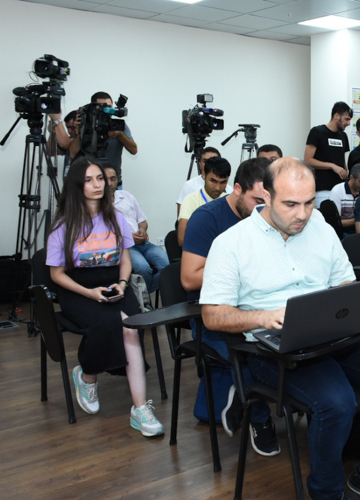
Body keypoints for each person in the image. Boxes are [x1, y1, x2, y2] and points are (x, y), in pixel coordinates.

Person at [200, 158, 360, 500]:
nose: (302, 214)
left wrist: (346, 306)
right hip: (272, 348)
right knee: (337, 402)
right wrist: (264, 317)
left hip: (331, 331)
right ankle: (325, 492)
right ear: (266, 196)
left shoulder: (320, 227)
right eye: (291, 204)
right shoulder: (232, 243)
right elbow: (213, 316)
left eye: (309, 202)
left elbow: (345, 283)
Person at [46, 156, 163, 437]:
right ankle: (87, 375)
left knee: (131, 327)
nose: (98, 185)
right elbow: (56, 274)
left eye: (100, 178)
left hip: (112, 282)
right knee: (106, 323)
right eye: (89, 180)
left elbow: (125, 260)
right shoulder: (63, 225)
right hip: (77, 288)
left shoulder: (116, 218)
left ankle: (140, 409)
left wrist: (122, 284)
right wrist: (88, 292)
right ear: (77, 185)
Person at [181, 157, 279, 451]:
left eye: (268, 201)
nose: (263, 208)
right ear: (237, 189)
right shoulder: (207, 218)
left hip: (258, 304)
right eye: (257, 200)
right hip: (213, 312)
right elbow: (188, 278)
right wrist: (239, 267)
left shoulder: (270, 217)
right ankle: (260, 419)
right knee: (252, 352)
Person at [104, 165, 169, 293]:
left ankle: (143, 295)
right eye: (106, 179)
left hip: (143, 243)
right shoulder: (98, 205)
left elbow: (143, 221)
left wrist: (142, 230)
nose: (110, 183)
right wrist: (128, 237)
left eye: (113, 179)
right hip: (125, 246)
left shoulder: (126, 196)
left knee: (167, 266)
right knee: (144, 268)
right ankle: (143, 298)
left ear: (118, 180)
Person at [70, 92, 137, 188]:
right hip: (89, 183)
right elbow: (73, 154)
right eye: (102, 107)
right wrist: (78, 130)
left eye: (109, 107)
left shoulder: (117, 125)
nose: (106, 111)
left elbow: (134, 150)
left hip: (113, 183)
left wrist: (120, 135)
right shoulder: (86, 125)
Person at [304, 101, 352, 207]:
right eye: (346, 119)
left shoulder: (343, 136)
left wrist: (345, 172)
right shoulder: (317, 132)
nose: (348, 123)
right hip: (323, 190)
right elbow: (308, 160)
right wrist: (332, 166)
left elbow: (342, 160)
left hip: (341, 188)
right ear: (336, 115)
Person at [177, 157, 231, 246]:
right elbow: (181, 239)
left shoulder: (229, 200)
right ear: (204, 175)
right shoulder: (191, 199)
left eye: (223, 182)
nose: (217, 188)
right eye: (213, 181)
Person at [176, 147, 227, 217]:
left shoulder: (228, 189)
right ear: (200, 164)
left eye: (213, 161)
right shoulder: (189, 186)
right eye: (205, 161)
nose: (209, 164)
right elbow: (181, 217)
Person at [328, 162, 360, 234]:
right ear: (352, 178)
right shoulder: (337, 191)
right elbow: (335, 223)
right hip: (343, 232)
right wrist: (358, 219)